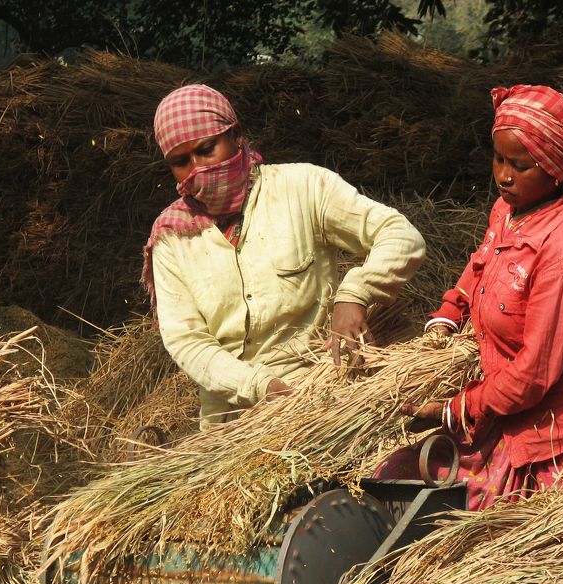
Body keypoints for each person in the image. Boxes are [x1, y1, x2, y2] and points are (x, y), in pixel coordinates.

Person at [375, 84, 563, 511]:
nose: (503, 175)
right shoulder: (507, 211)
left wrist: (458, 408)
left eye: (519, 166)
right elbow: (483, 262)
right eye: (498, 159)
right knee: (396, 476)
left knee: (509, 532)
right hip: (514, 408)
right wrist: (452, 309)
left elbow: (533, 375)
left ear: (555, 169)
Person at [143, 84, 425, 426]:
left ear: (236, 135)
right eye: (180, 162)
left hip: (324, 399)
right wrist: (261, 386)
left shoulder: (303, 189)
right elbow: (188, 343)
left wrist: (356, 293)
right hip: (231, 425)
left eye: (206, 150)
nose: (197, 169)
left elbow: (400, 235)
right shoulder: (172, 237)